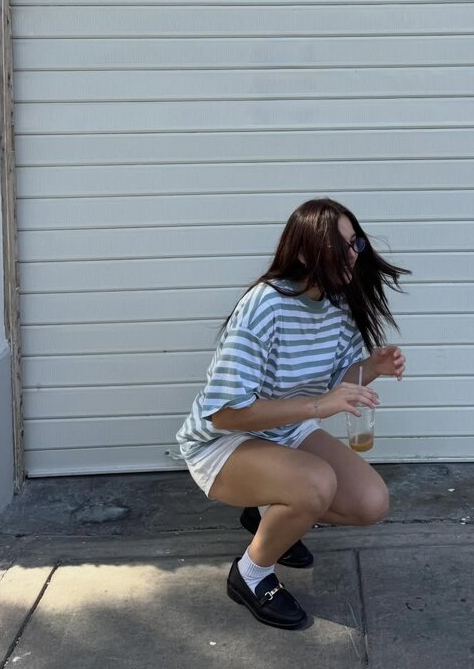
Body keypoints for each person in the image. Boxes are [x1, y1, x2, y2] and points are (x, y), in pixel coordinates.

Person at [177, 197, 409, 630]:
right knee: (316, 483)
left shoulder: (339, 304)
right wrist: (317, 407)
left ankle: (266, 516)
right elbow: (224, 414)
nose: (353, 253)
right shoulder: (265, 304)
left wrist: (371, 368)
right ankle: (251, 575)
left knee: (371, 503)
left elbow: (335, 380)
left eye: (356, 242)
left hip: (285, 431)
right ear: (304, 253)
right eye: (341, 244)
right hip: (224, 443)